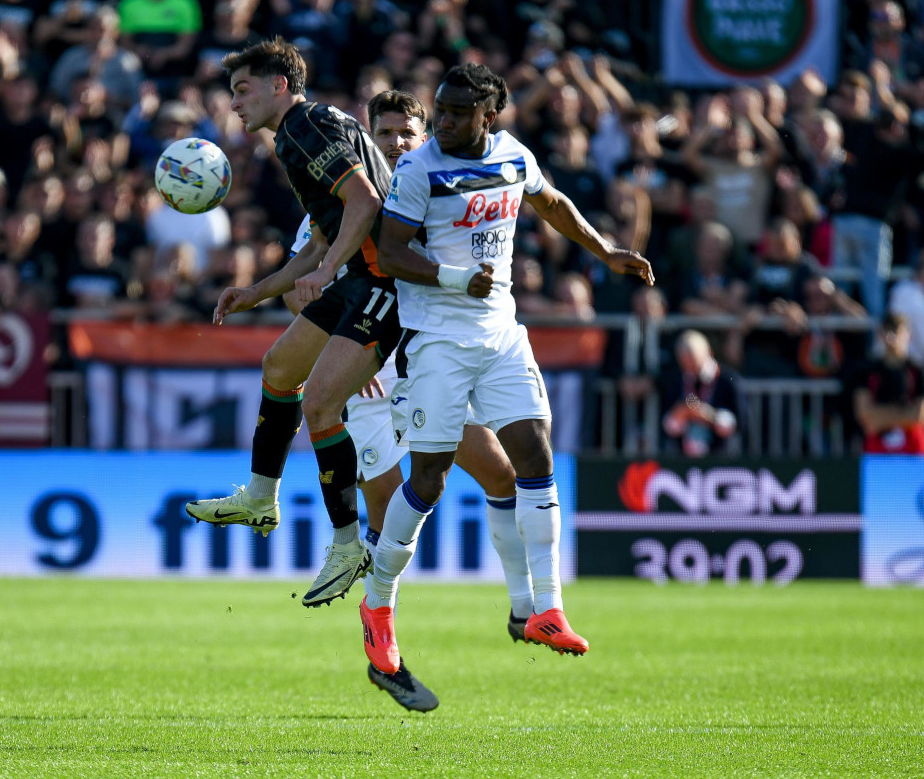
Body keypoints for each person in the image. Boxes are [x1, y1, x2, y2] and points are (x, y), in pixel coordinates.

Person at [361, 63, 653, 674]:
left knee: (536, 455)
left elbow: (550, 202)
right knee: (431, 481)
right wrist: (453, 278)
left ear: (488, 118)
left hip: (499, 334)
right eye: (439, 110)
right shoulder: (419, 170)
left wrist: (603, 249)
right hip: (435, 341)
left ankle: (547, 608)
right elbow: (390, 252)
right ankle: (379, 605)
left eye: (457, 114)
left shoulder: (512, 155)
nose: (442, 122)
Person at [281, 89, 528, 712]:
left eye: (406, 132)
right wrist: (345, 350)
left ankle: (528, 608)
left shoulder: (442, 200)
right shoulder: (343, 196)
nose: (394, 141)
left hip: (423, 367)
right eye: (383, 130)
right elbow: (298, 288)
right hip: (364, 381)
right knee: (391, 512)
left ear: (426, 137)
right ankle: (382, 646)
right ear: (368, 134)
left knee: (500, 472)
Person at [183, 38, 394, 609]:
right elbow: (324, 235)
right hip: (354, 274)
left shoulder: (305, 128)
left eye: (242, 90)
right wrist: (255, 291)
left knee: (322, 404)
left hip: (385, 283)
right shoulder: (304, 131)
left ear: (280, 85)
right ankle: (259, 496)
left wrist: (325, 272)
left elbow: (366, 202)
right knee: (279, 367)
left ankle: (350, 544)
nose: (234, 104)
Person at [850, 312, 924, 455]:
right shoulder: (867, 372)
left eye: (897, 331)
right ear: (880, 335)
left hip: (913, 450)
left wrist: (880, 419)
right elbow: (864, 415)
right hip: (879, 450)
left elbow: (922, 415)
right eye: (888, 331)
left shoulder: (919, 371)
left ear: (909, 335)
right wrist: (905, 415)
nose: (892, 337)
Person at [659, 331, 743, 457]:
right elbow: (668, 426)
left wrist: (709, 416)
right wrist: (681, 413)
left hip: (722, 458)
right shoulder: (676, 381)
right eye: (684, 362)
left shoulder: (728, 380)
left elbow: (739, 424)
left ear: (708, 353)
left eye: (693, 360)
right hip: (684, 459)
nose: (690, 367)